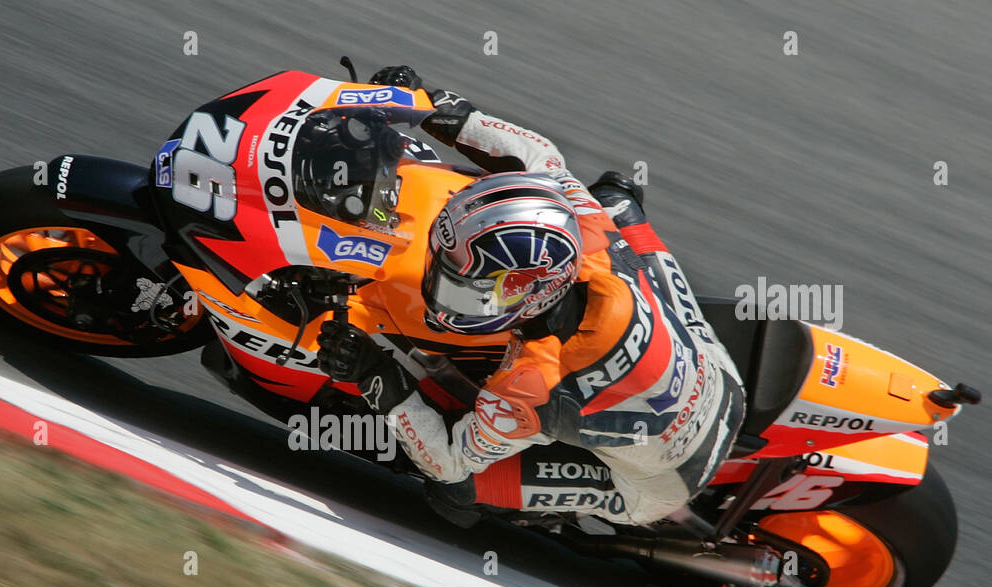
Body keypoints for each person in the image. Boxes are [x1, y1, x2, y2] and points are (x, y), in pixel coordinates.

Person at [315, 65, 745, 527]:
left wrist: (374, 374)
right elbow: (539, 157)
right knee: (614, 197)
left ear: (531, 294)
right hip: (716, 369)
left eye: (463, 290)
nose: (445, 296)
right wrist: (429, 107)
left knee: (456, 490)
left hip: (670, 478)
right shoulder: (588, 236)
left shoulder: (530, 382)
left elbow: (448, 459)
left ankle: (564, 516)